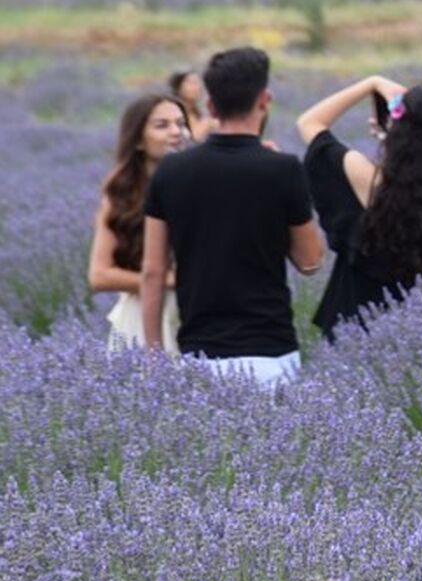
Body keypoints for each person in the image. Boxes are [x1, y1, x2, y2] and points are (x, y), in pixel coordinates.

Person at [142, 47, 323, 385]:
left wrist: (154, 357)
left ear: (211, 107)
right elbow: (310, 260)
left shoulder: (170, 171)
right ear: (264, 100)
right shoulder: (283, 170)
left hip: (199, 353)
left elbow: (153, 271)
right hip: (271, 352)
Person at [296, 75, 422, 343]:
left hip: (355, 328)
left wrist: (371, 83)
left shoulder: (369, 181)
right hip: (419, 336)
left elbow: (310, 123)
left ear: (397, 132)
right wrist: (390, 136)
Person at [89, 93, 190, 352]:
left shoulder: (200, 185)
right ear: (138, 141)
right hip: (141, 317)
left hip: (197, 315)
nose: (176, 132)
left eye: (181, 124)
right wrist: (169, 280)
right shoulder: (120, 197)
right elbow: (100, 275)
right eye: (162, 125)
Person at [168, 68, 215, 142]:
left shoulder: (198, 112)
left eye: (198, 83)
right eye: (191, 83)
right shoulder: (173, 112)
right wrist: (206, 125)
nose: (197, 87)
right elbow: (189, 138)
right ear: (178, 87)